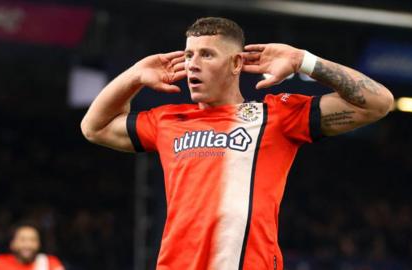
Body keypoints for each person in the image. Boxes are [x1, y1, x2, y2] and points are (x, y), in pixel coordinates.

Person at [81, 17, 393, 270]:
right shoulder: (168, 121)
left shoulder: (276, 115)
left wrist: (303, 61)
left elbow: (378, 103)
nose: (192, 64)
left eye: (206, 54)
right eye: (189, 55)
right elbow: (94, 128)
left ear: (235, 64)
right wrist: (133, 77)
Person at [0, 224, 65, 270]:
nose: (28, 245)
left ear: (39, 244)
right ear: (12, 244)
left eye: (33, 240)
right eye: (22, 240)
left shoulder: (50, 263)